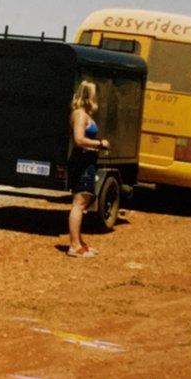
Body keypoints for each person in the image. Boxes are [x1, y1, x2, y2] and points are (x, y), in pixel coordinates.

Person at [67, 81, 110, 258]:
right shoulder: (79, 114)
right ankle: (74, 246)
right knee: (79, 202)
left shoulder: (85, 114)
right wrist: (99, 143)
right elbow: (78, 139)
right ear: (88, 95)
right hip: (81, 161)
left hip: (88, 161)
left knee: (84, 201)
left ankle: (80, 241)